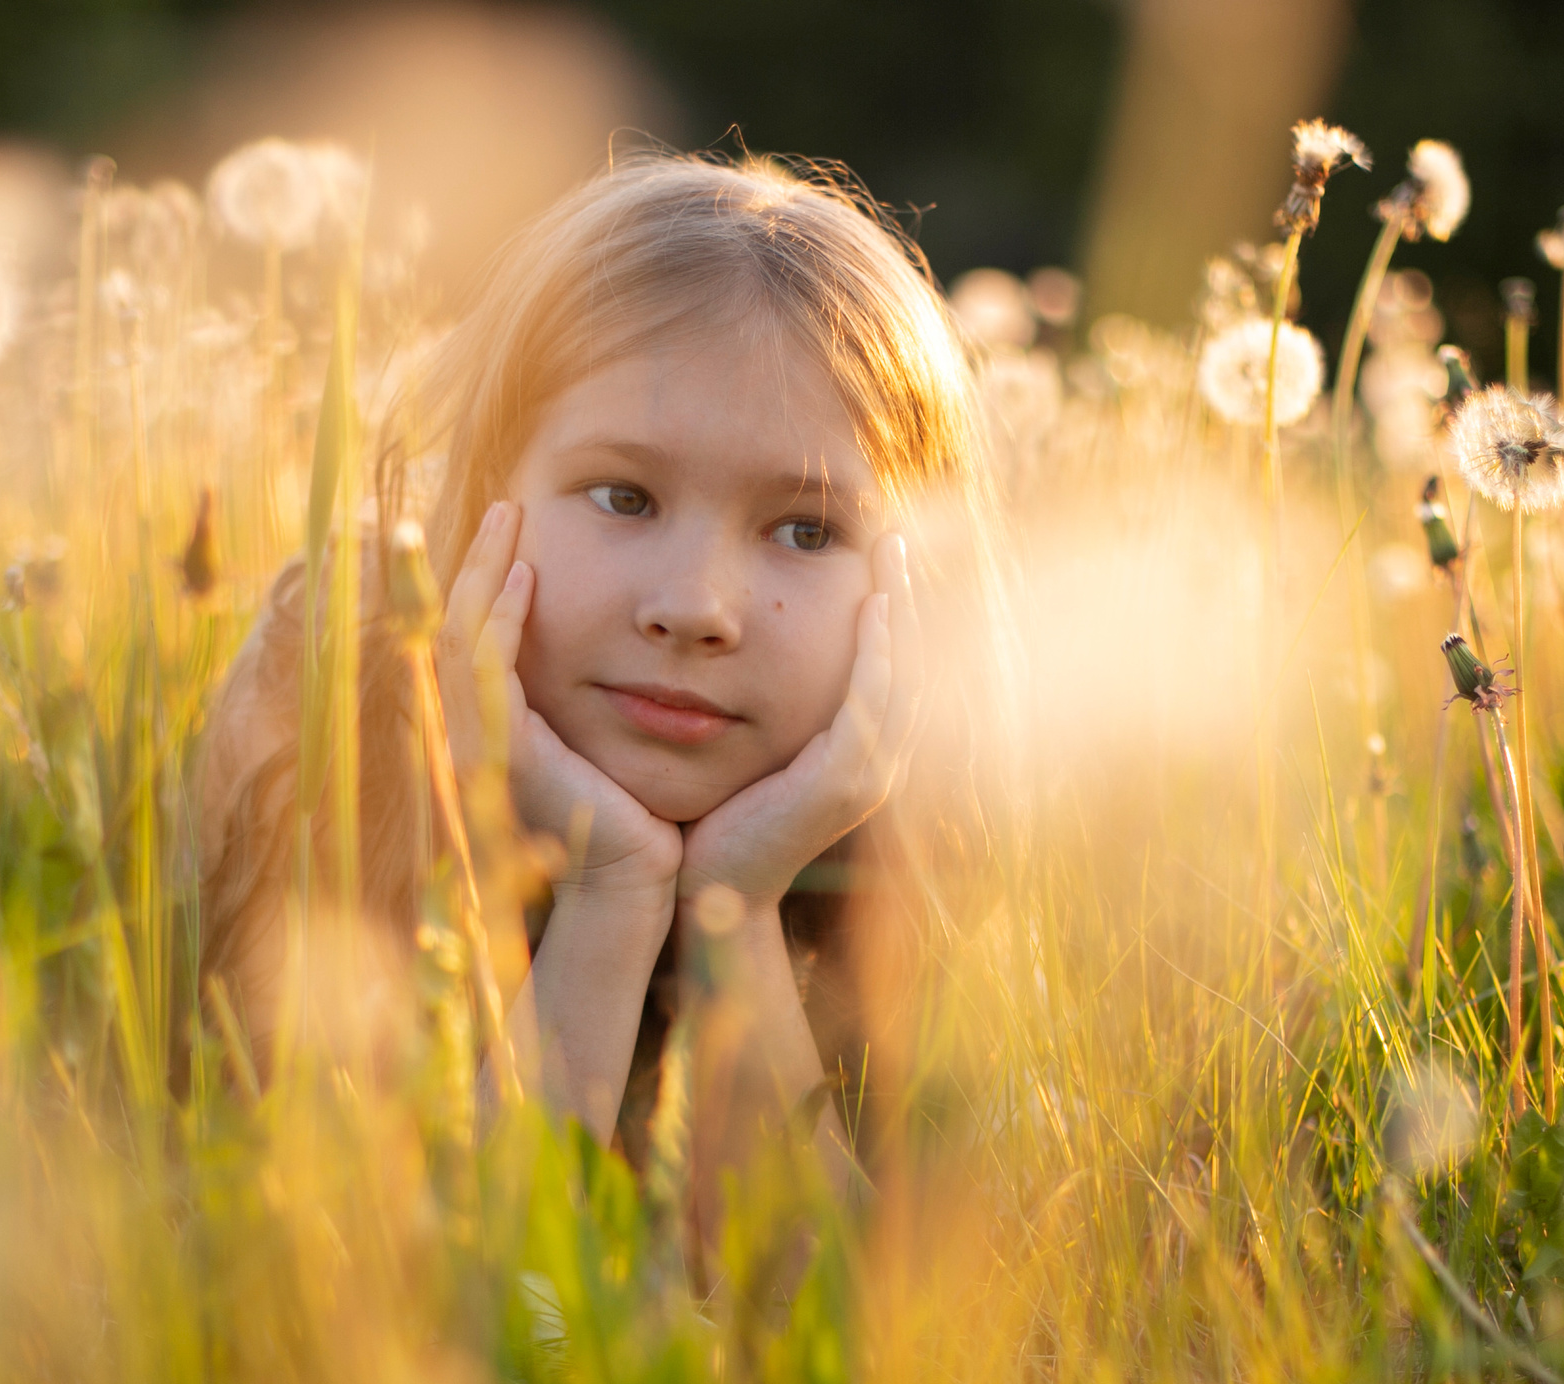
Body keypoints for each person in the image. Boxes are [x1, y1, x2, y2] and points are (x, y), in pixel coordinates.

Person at [196, 151, 1017, 1224]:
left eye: (805, 529)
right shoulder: (323, 709)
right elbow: (442, 1312)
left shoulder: (940, 830)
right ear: (488, 491)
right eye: (624, 496)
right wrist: (612, 891)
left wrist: (735, 902)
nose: (696, 606)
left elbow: (832, 1344)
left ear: (911, 580)